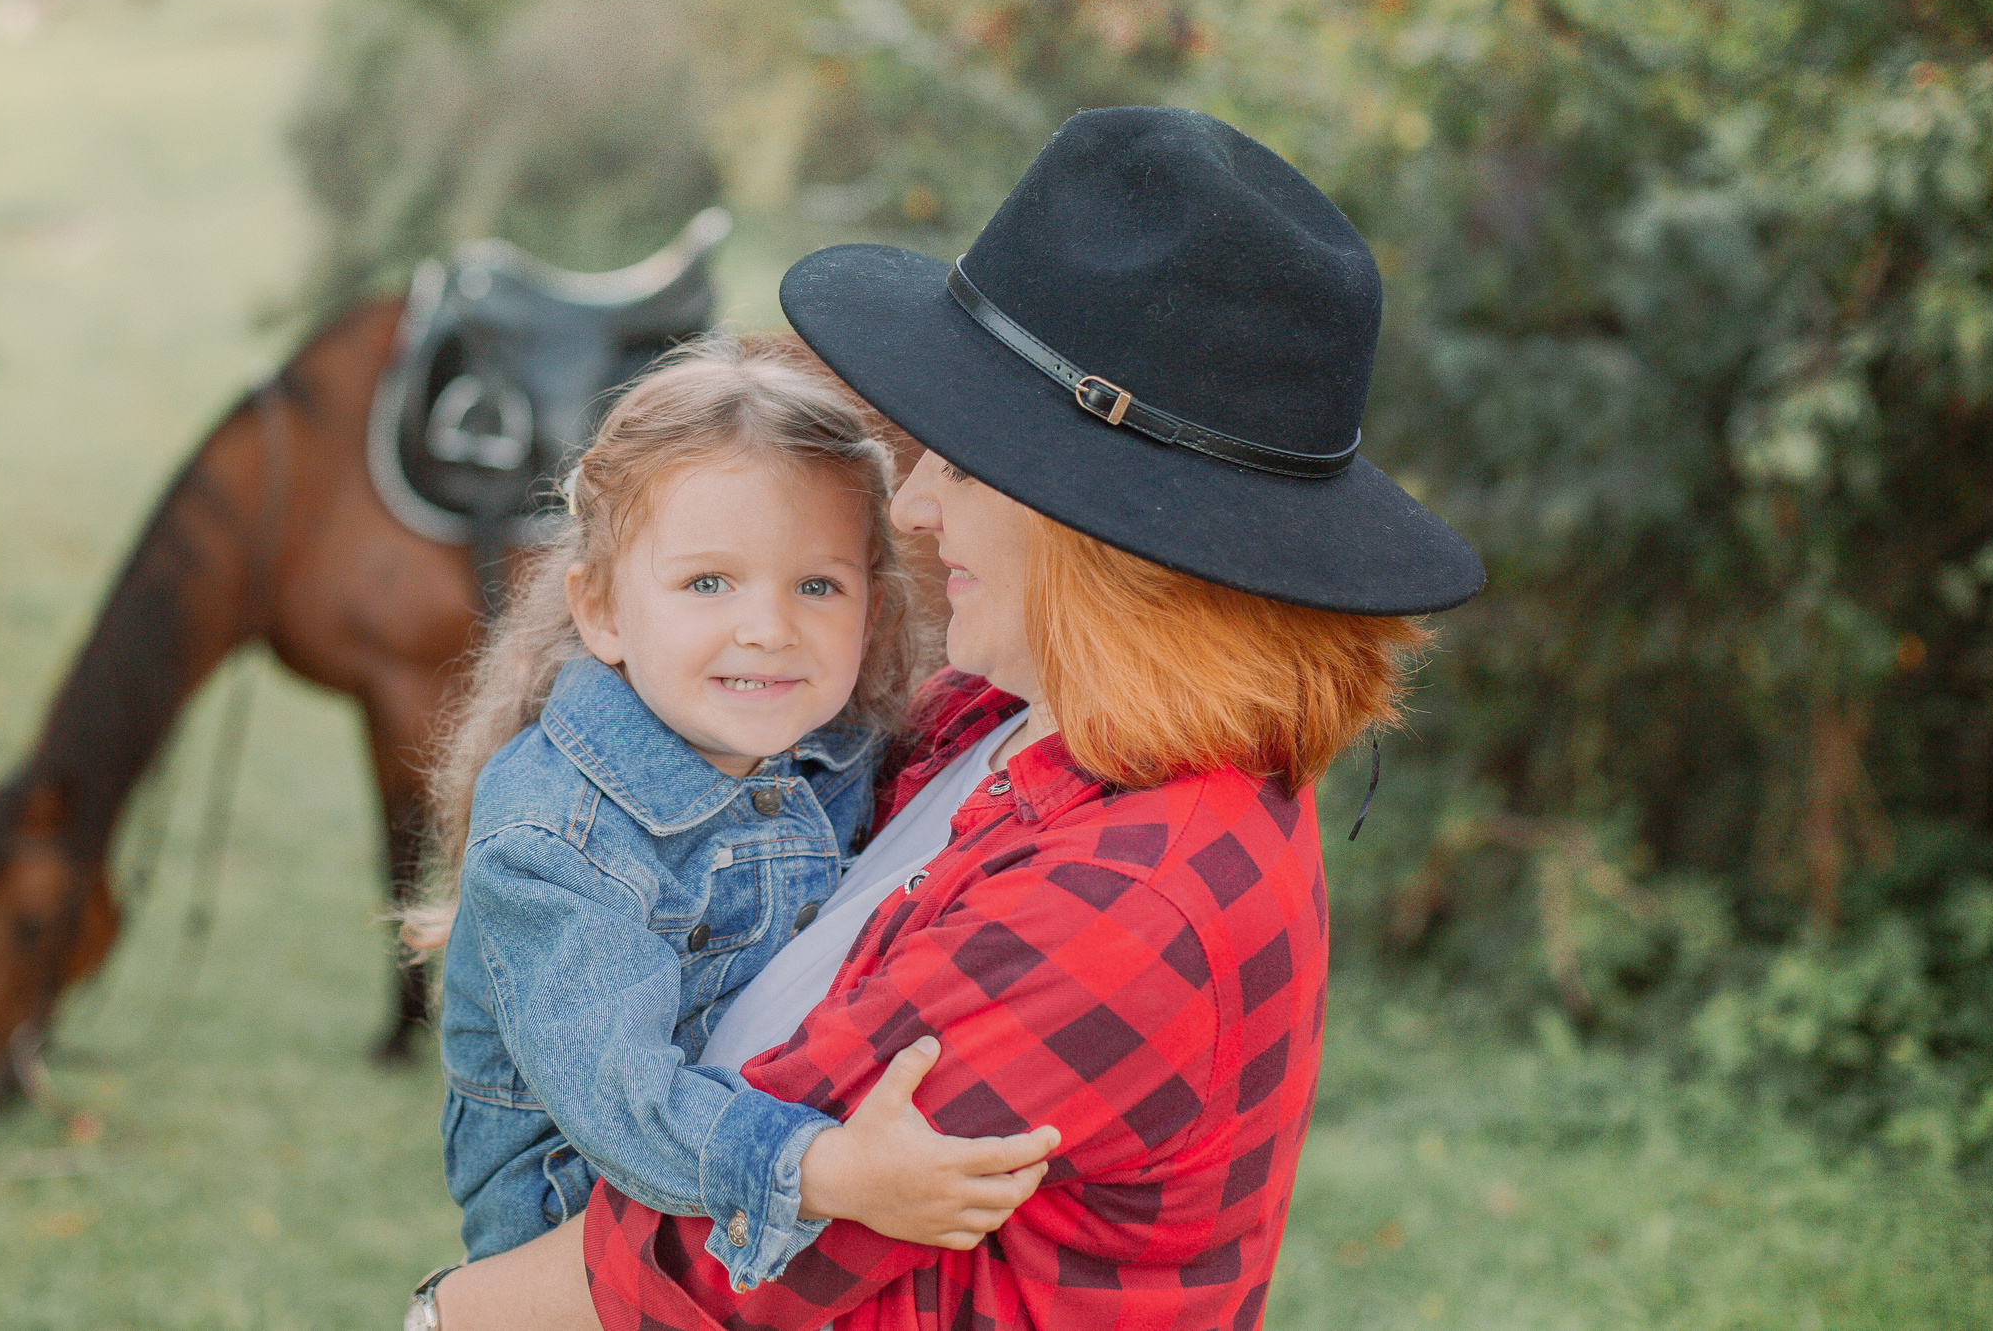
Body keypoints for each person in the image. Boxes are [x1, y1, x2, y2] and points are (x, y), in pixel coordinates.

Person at [415, 106, 1486, 1331]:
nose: (916, 507)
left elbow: (717, 1273)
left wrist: (442, 1317)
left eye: (967, 464)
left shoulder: (1126, 897)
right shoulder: (1010, 722)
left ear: (1100, 532)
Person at [402, 338, 1062, 1315]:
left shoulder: (836, 746)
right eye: (709, 583)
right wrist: (829, 1172)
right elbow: (626, 1106)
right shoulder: (554, 840)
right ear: (603, 611)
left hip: (737, 1244)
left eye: (816, 586)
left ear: (873, 609)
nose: (767, 627)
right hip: (585, 1251)